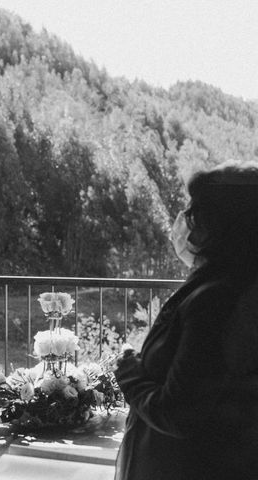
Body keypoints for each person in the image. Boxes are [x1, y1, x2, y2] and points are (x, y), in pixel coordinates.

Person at [114, 160, 258, 479]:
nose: (186, 221)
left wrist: (128, 371)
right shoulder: (235, 285)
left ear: (221, 224)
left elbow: (177, 413)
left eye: (194, 210)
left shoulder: (216, 299)